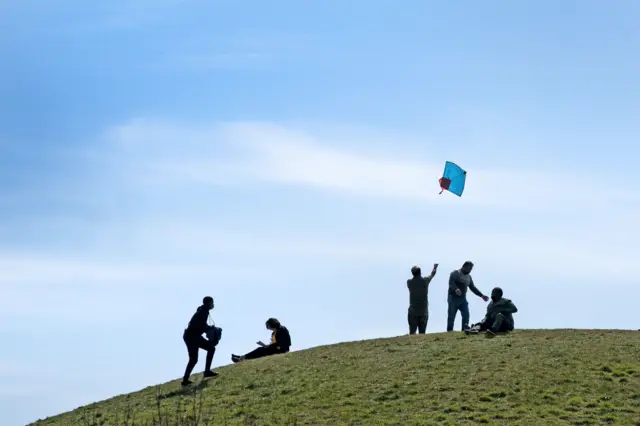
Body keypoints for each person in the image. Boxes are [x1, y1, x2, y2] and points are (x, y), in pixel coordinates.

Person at [181, 296, 218, 386]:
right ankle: (185, 380)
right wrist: (209, 329)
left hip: (195, 336)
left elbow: (202, 325)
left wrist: (209, 328)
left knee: (211, 348)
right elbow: (199, 325)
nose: (213, 305)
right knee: (193, 359)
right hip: (191, 337)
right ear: (208, 303)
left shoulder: (203, 311)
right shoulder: (202, 312)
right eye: (211, 303)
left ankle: (207, 371)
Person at [447, 261, 489, 332]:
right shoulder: (455, 273)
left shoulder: (469, 277)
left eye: (471, 269)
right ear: (464, 267)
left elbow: (472, 287)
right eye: (468, 269)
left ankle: (464, 330)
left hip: (463, 299)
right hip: (453, 298)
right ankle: (449, 331)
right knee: (451, 316)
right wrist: (456, 289)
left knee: (466, 314)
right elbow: (451, 282)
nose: (470, 270)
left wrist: (481, 296)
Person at [407, 263, 438, 334]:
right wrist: (435, 267)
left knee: (412, 332)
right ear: (420, 272)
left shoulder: (409, 282)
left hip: (413, 311)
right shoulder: (425, 281)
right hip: (423, 310)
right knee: (422, 333)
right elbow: (432, 274)